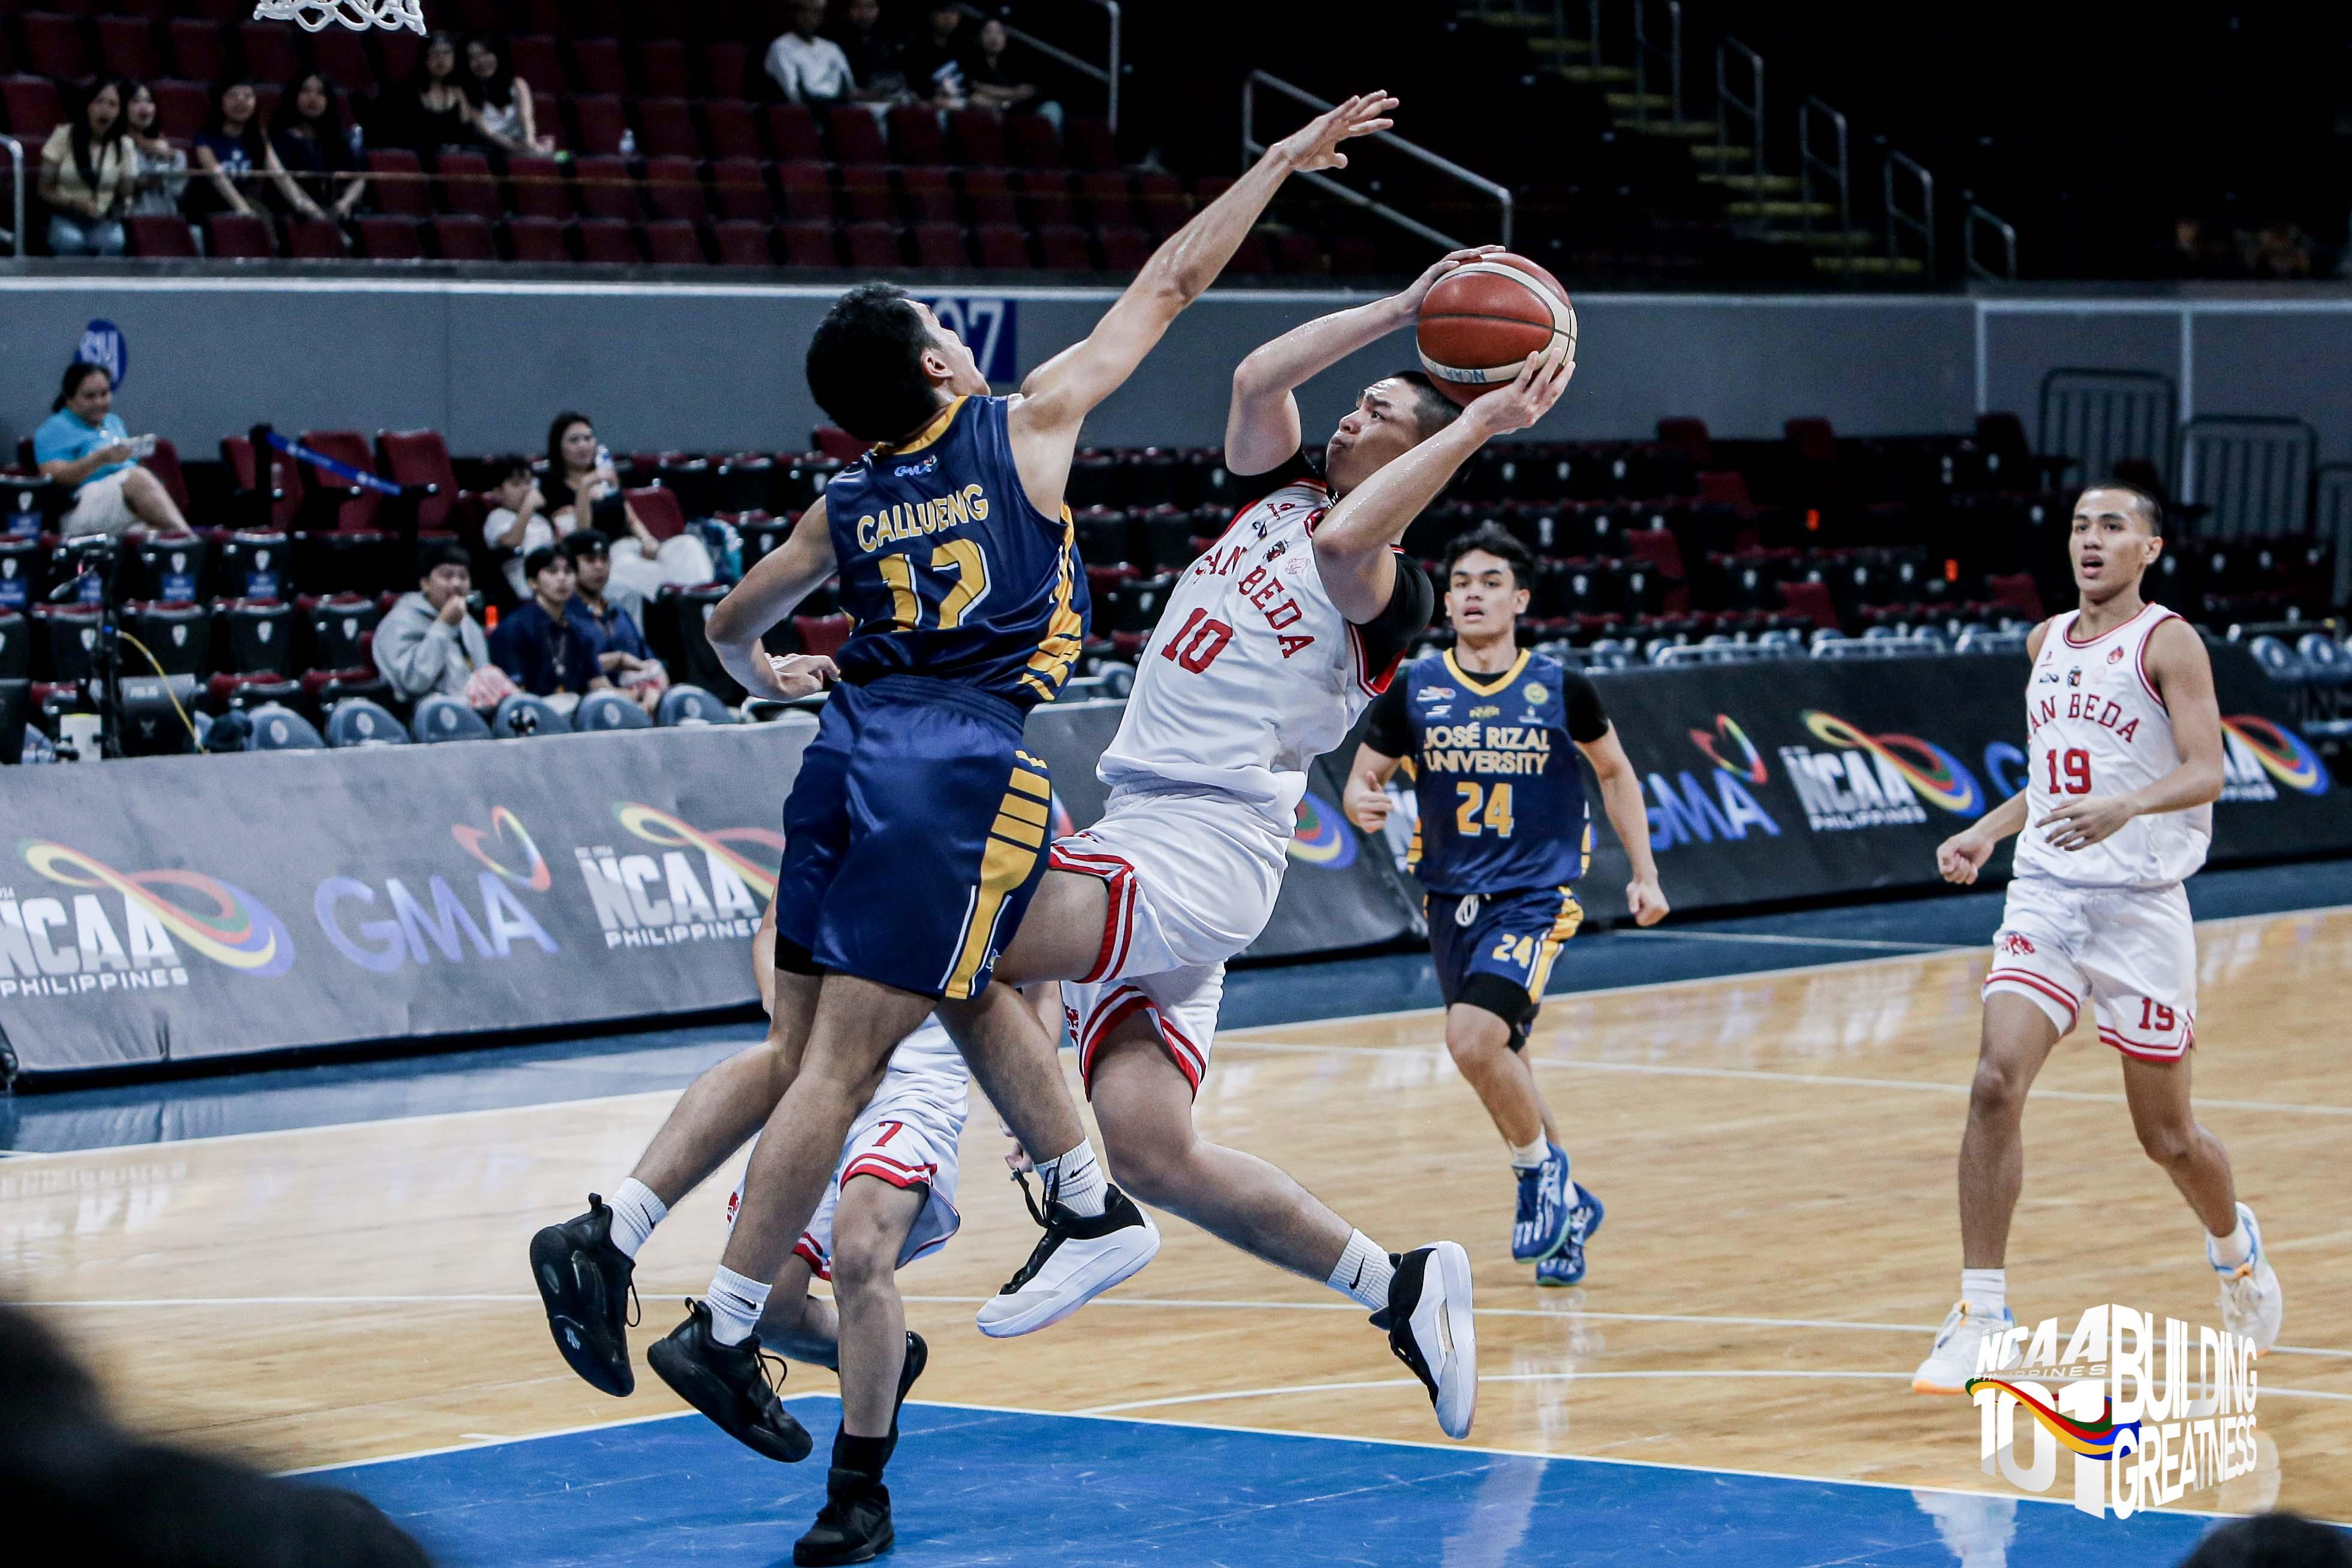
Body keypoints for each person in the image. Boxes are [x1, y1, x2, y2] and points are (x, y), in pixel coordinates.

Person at [527, 96, 1406, 1530]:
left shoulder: (841, 499)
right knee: (853, 1061)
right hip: (955, 766)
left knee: (802, 1041)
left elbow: (729, 628)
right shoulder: (1024, 425)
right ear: (942, 360)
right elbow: (1171, 286)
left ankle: (616, 1225)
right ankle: (734, 1317)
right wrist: (1267, 164)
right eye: (947, 323)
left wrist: (781, 675)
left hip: (843, 744)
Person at [960, 254, 1572, 1445]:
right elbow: (1254, 375)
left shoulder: (1388, 584)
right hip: (1148, 829)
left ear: (1419, 456)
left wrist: (1485, 422)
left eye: (1382, 409)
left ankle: (1072, 1207)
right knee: (1153, 1145)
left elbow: (1355, 536)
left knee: (963, 935)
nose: (1352, 409)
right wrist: (1402, 313)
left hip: (1202, 845)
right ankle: (1396, 1285)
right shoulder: (1275, 499)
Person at [1911, 484, 2286, 1395]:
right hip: (2047, 893)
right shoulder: (2044, 641)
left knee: (2168, 1138)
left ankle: (2235, 1252)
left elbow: (2206, 772)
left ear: (2149, 548)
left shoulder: (2170, 641)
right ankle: (1982, 1314)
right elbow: (2053, 781)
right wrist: (1985, 832)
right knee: (1996, 1080)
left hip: (2141, 904)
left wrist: (2128, 805)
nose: (2091, 540)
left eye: (2113, 527)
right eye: (2081, 525)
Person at [1343, 523, 1667, 1286]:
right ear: (1446, 601)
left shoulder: (1560, 686)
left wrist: (1644, 873)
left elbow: (1615, 773)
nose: (1473, 595)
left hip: (1533, 897)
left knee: (1472, 1040)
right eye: (1461, 584)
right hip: (1450, 899)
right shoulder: (1415, 688)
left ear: (1520, 599)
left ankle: (1536, 1173)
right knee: (1501, 1054)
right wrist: (1364, 800)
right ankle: (1567, 1216)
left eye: (1490, 583)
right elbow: (1366, 777)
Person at [662, 899, 966, 1565]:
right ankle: (883, 1359)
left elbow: (1029, 978)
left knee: (861, 1254)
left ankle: (859, 1495)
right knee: (769, 1308)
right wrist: (787, 1009)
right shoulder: (848, 802)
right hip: (821, 1080)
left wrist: (1038, 1126)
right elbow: (777, 922)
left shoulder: (977, 812)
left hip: (917, 1083)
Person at [542, 412, 715, 602]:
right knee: (657, 572)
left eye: (588, 438)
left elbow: (630, 518)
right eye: (574, 440)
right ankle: (682, 612)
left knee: (688, 546)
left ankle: (704, 606)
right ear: (559, 448)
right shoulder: (554, 490)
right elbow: (581, 537)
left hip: (634, 548)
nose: (583, 445)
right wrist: (584, 488)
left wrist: (647, 540)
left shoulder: (607, 480)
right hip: (606, 559)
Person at [35, 362, 191, 539]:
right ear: (70, 400)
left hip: (122, 506)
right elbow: (53, 477)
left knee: (155, 534)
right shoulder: (53, 429)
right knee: (138, 478)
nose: (99, 402)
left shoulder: (113, 422)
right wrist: (100, 459)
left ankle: (183, 552)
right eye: (90, 396)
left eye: (104, 394)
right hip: (79, 507)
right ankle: (191, 541)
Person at [376, 542, 503, 705]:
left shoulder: (468, 622)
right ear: (426, 584)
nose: (457, 584)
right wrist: (444, 625)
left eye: (463, 577)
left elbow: (482, 675)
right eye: (447, 576)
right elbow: (414, 683)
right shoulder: (398, 622)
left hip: (473, 711)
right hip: (423, 715)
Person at [490, 546, 610, 707]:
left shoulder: (578, 630)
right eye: (552, 572)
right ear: (532, 582)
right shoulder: (514, 628)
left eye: (568, 572)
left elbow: (598, 684)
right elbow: (512, 694)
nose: (562, 578)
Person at [560, 532, 666, 713]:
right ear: (570, 566)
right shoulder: (563, 616)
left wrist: (654, 689)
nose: (599, 566)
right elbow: (563, 669)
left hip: (641, 706)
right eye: (590, 560)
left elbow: (648, 661)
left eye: (604, 559)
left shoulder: (619, 612)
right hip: (589, 710)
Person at [187, 79, 312, 224]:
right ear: (220, 102)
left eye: (248, 96)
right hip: (206, 211)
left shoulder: (258, 139)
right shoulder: (204, 138)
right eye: (233, 96)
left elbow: (280, 175)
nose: (241, 101)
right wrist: (243, 209)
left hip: (241, 210)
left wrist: (302, 204)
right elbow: (218, 178)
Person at [40, 80, 132, 257]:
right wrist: (74, 204)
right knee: (71, 241)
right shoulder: (64, 136)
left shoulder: (124, 145)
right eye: (99, 102)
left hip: (103, 219)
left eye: (113, 104)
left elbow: (126, 192)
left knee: (115, 242)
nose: (106, 109)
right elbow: (43, 189)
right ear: (88, 106)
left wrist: (121, 206)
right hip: (66, 215)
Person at [269, 73, 367, 224]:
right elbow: (285, 182)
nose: (313, 98)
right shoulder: (280, 139)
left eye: (320, 93)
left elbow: (359, 178)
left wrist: (345, 203)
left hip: (335, 213)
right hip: (295, 215)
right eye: (306, 91)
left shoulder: (338, 138)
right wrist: (313, 211)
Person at [369, 32, 475, 153]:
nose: (441, 59)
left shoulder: (461, 92)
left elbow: (465, 134)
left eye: (447, 53)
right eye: (435, 53)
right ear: (425, 57)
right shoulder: (405, 93)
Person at [479, 454, 561, 600]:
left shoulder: (540, 520)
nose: (525, 490)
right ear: (498, 492)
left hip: (553, 584)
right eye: (516, 485)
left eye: (529, 483)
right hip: (523, 592)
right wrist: (528, 506)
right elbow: (512, 542)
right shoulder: (497, 517)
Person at [462, 34, 556, 155]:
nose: (481, 62)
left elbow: (526, 119)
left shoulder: (518, 84)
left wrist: (530, 144)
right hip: (496, 153)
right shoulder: (467, 95)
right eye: (472, 57)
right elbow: (489, 133)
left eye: (485, 53)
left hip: (526, 146)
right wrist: (522, 150)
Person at [961, 18, 1056, 129]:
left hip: (1018, 112)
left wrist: (994, 95)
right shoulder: (970, 62)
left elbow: (1029, 91)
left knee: (1052, 108)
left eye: (999, 32)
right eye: (988, 32)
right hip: (987, 114)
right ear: (978, 37)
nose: (994, 37)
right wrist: (1013, 94)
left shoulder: (1016, 62)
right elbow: (974, 94)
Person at [765, 0, 857, 107]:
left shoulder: (832, 48)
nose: (810, 17)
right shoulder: (781, 46)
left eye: (816, 12)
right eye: (805, 11)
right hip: (803, 112)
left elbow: (850, 88)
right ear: (794, 14)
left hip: (839, 108)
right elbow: (793, 93)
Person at [119, 82, 189, 220]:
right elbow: (129, 185)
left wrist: (171, 157)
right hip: (131, 222)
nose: (145, 107)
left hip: (167, 221)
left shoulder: (164, 148)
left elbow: (177, 189)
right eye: (136, 101)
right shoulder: (115, 145)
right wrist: (165, 172)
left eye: (149, 101)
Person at [830, 0, 908, 104]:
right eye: (858, 7)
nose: (864, 13)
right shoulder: (835, 43)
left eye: (870, 7)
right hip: (849, 103)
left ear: (878, 9)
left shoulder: (891, 43)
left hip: (885, 101)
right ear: (849, 10)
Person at [900, 4, 969, 110]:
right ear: (932, 15)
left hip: (963, 104)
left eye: (953, 13)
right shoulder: (916, 48)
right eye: (943, 12)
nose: (948, 18)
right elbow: (916, 88)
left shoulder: (965, 47)